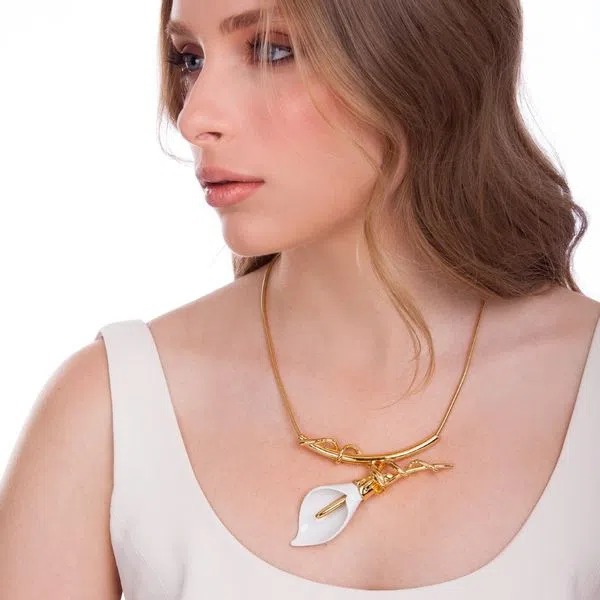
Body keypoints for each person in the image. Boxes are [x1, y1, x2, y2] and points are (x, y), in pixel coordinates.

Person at [1, 0, 599, 597]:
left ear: (421, 54)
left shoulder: (584, 385)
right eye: (190, 59)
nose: (194, 117)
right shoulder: (110, 412)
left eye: (272, 50)